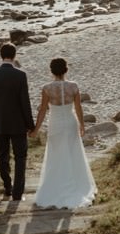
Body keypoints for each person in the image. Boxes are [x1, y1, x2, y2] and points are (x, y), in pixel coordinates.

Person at [31, 58, 96, 209]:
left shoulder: (47, 88)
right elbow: (78, 108)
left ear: (51, 71)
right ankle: (77, 186)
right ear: (66, 70)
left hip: (55, 124)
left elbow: (42, 110)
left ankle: (56, 187)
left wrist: (36, 129)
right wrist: (82, 124)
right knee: (74, 154)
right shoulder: (73, 86)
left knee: (56, 155)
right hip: (70, 122)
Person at [0, 43, 34, 201]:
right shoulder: (20, 75)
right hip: (18, 123)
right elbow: (25, 102)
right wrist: (30, 125)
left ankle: (8, 187)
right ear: (15, 55)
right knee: (20, 157)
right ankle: (18, 193)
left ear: (1, 55)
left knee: (2, 156)